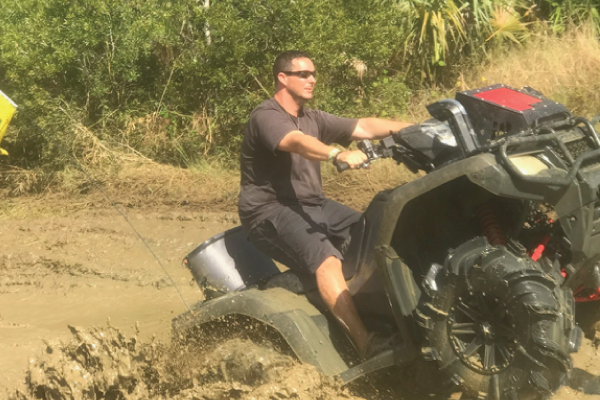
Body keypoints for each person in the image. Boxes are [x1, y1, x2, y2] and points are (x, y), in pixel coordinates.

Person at [238, 50, 411, 358]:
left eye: (314, 74)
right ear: (283, 78)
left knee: (375, 232)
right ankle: (366, 343)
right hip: (269, 211)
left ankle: (387, 316)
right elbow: (295, 142)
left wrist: (416, 130)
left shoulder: (313, 118)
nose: (312, 79)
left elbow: (365, 127)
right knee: (326, 259)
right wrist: (337, 154)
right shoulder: (266, 115)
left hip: (314, 203)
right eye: (304, 74)